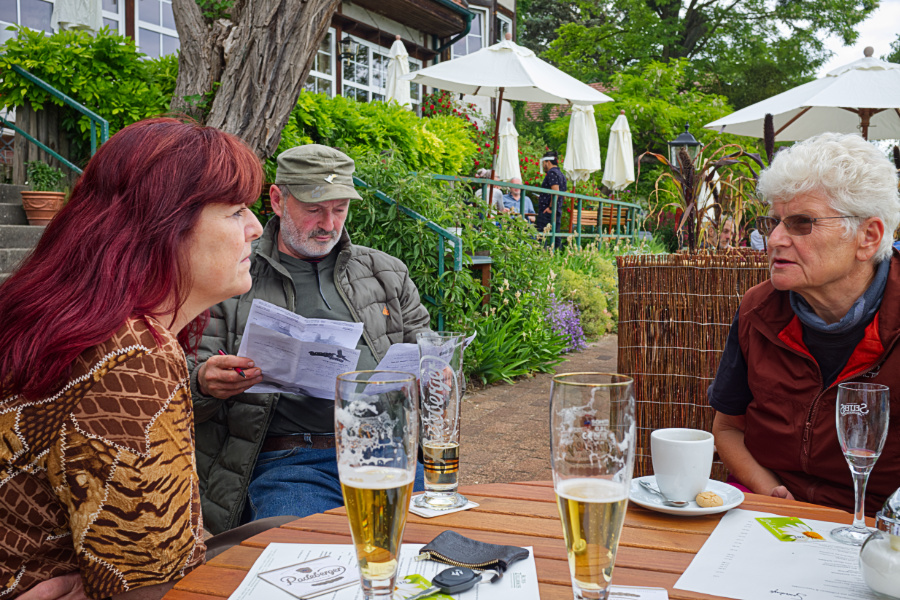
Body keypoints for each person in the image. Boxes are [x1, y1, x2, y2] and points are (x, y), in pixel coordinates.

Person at [0, 118, 296, 600]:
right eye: (236, 211)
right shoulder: (132, 355)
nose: (256, 227)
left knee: (283, 531)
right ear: (166, 226)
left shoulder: (85, 319)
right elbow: (149, 580)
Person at [189, 144, 431, 535]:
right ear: (277, 200)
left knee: (434, 544)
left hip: (383, 451)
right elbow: (175, 378)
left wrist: (437, 373)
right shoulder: (231, 275)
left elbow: (427, 354)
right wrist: (204, 381)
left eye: (340, 209)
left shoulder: (386, 273)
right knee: (298, 553)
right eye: (314, 209)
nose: (329, 224)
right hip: (290, 462)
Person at [708, 132, 900, 515]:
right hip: (770, 506)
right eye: (774, 222)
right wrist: (773, 494)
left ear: (868, 236)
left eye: (801, 223)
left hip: (878, 523)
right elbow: (727, 428)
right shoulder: (758, 310)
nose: (775, 239)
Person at [535, 150, 567, 243]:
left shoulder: (551, 173)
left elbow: (555, 191)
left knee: (540, 235)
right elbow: (563, 195)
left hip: (548, 211)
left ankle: (540, 252)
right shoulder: (561, 175)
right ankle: (556, 251)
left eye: (543, 163)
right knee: (555, 235)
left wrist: (550, 207)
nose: (543, 165)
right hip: (557, 210)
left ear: (548, 162)